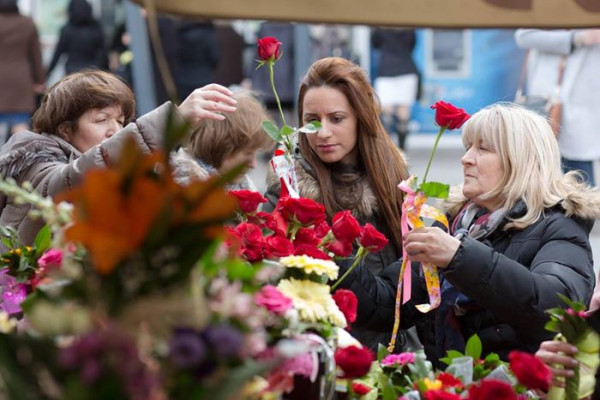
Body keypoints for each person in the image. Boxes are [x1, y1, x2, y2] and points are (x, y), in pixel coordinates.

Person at [334, 102, 597, 364]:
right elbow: (387, 305)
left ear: (521, 160)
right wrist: (331, 257)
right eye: (468, 147)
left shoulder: (560, 225)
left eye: (482, 148)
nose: (466, 158)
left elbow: (555, 309)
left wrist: (459, 256)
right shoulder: (457, 223)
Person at [264, 57, 417, 353]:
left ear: (362, 117)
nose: (322, 133)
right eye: (312, 121)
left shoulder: (397, 182)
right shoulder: (288, 192)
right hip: (320, 355)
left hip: (396, 357)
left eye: (336, 118)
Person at [0, 70, 237, 249]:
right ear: (65, 130)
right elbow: (69, 182)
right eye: (101, 119)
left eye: (121, 122)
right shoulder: (35, 158)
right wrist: (170, 120)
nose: (114, 130)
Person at [514, 29, 600, 186]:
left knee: (582, 189)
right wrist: (576, 38)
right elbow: (523, 36)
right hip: (548, 105)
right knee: (539, 184)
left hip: (585, 115)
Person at [176, 91, 274, 190]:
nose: (253, 164)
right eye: (248, 153)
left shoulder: (244, 186)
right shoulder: (183, 189)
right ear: (222, 144)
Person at [0, 0, 44, 137]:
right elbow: (36, 56)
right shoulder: (27, 23)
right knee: (20, 126)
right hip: (21, 80)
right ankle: (20, 157)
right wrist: (40, 80)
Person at [371, 27, 419, 149]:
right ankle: (402, 147)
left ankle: (387, 146)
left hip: (386, 70)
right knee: (403, 108)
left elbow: (374, 43)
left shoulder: (381, 28)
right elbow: (412, 45)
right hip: (407, 69)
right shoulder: (409, 28)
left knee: (386, 109)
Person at [46, 0, 108, 77]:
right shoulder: (95, 28)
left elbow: (57, 54)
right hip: (91, 72)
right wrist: (108, 73)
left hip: (72, 73)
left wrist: (46, 75)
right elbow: (104, 53)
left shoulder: (67, 29)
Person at [176, 19, 219, 100]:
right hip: (203, 77)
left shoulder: (180, 32)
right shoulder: (208, 33)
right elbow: (214, 57)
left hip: (183, 78)